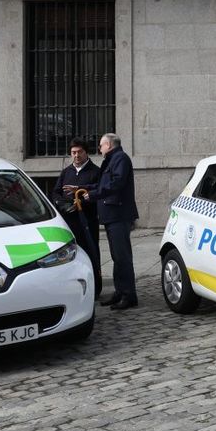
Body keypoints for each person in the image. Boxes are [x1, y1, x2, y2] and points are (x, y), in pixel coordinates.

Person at [80, 132, 139, 310]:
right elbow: (102, 182)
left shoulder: (120, 158)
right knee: (117, 257)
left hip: (118, 215)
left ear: (110, 145)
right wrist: (83, 189)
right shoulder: (112, 159)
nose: (99, 148)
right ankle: (120, 291)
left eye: (101, 145)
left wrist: (93, 195)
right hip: (111, 216)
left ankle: (129, 295)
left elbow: (116, 183)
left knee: (123, 257)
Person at [53, 138, 102, 297]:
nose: (76, 155)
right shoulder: (66, 171)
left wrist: (80, 202)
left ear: (86, 152)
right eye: (73, 152)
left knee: (90, 252)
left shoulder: (95, 171)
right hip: (69, 221)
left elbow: (98, 194)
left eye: (79, 152)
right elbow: (55, 192)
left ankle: (95, 289)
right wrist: (62, 204)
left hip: (88, 221)